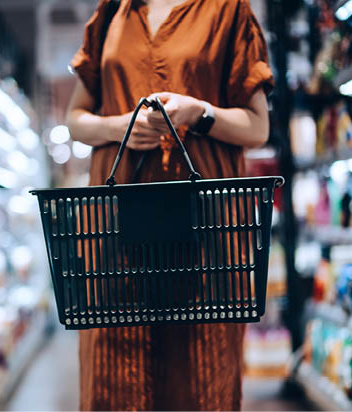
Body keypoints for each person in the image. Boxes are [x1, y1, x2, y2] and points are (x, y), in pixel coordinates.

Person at [66, 0, 274, 409]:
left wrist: (201, 112)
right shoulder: (112, 12)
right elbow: (76, 118)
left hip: (206, 232)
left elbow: (258, 127)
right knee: (113, 373)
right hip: (115, 230)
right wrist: (118, 125)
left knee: (201, 373)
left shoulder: (228, 11)